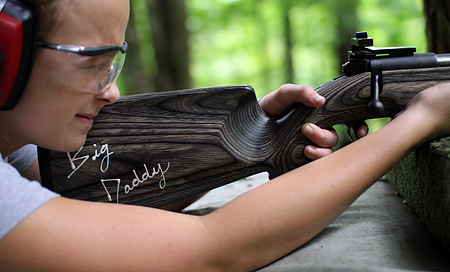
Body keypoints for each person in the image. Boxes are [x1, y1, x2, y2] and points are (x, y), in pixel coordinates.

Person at [0, 0, 449, 271]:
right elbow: (210, 251)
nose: (112, 91)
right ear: (6, 52)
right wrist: (417, 121)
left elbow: (95, 201)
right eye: (92, 64)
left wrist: (250, 137)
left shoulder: (17, 153)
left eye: (113, 63)